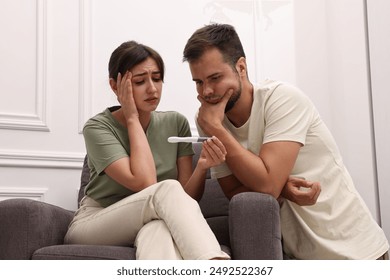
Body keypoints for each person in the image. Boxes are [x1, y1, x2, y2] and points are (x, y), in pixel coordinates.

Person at [182, 23, 389, 260]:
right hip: (298, 258)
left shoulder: (282, 99)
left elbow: (268, 185)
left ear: (241, 67)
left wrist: (217, 130)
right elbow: (234, 193)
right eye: (198, 82)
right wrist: (281, 187)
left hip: (356, 254)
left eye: (215, 78)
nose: (207, 91)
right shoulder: (209, 119)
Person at [64, 40, 231, 260]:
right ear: (115, 86)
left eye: (157, 78)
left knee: (158, 230)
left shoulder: (175, 122)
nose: (152, 89)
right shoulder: (97, 128)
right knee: (166, 189)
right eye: (140, 81)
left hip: (151, 218)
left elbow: (184, 201)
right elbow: (145, 182)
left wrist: (201, 168)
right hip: (96, 220)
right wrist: (132, 117)